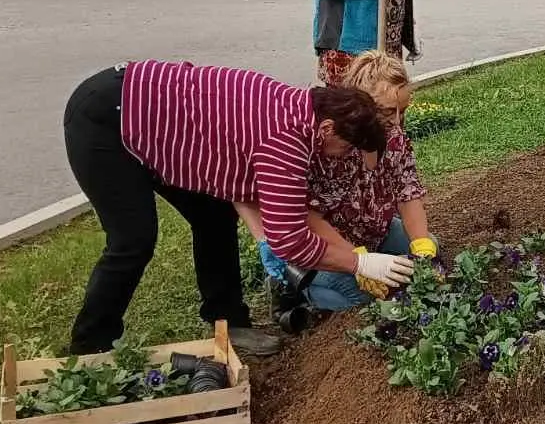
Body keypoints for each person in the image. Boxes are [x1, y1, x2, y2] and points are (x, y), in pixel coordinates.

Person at [62, 60, 413, 355]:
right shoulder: (284, 141)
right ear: (327, 128)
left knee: (214, 216)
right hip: (109, 118)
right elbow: (289, 240)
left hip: (162, 127)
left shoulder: (303, 110)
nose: (347, 155)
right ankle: (90, 345)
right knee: (133, 239)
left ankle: (227, 321)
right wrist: (361, 262)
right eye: (347, 147)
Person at [249, 51, 438, 321]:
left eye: (402, 110)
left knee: (429, 256)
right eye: (387, 111)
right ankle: (297, 289)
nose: (396, 121)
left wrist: (421, 244)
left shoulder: (394, 137)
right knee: (364, 299)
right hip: (330, 249)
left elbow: (408, 190)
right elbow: (308, 214)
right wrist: (357, 260)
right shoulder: (331, 143)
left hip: (376, 234)